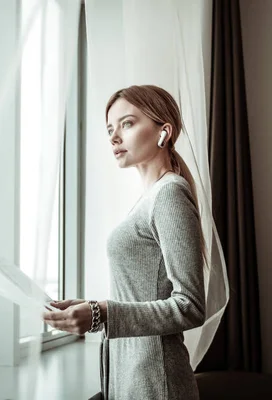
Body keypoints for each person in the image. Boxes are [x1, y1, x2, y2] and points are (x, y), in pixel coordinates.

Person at [43, 85, 205, 400]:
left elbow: (191, 307)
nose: (114, 137)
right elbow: (141, 293)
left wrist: (102, 311)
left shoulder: (169, 193)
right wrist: (89, 307)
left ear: (164, 131)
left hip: (157, 382)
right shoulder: (149, 198)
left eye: (127, 123)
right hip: (131, 374)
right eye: (110, 129)